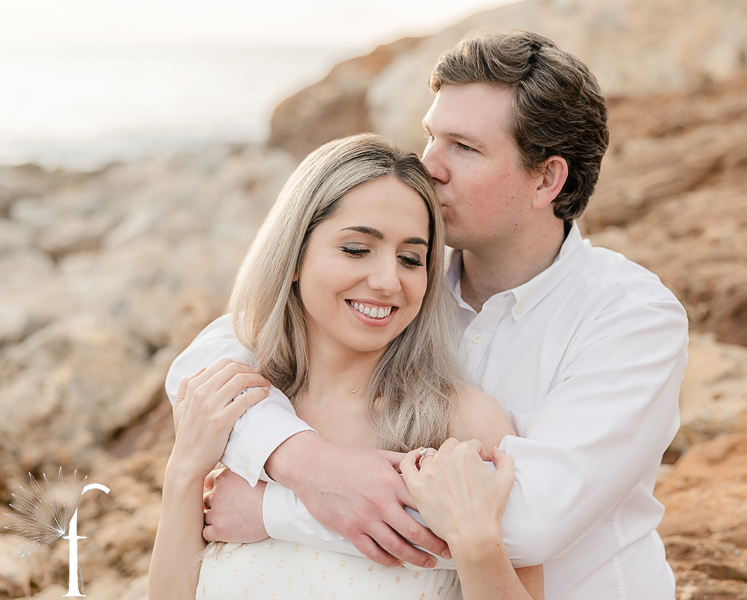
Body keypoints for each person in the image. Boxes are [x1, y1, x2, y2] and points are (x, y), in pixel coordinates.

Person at [167, 31, 689, 599]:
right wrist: (304, 462)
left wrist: (277, 510)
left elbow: (528, 521)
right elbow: (202, 367)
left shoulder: (631, 319)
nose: (429, 164)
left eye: (464, 147)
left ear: (546, 180)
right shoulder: (402, 274)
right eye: (430, 135)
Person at [149, 134, 545, 599]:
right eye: (357, 249)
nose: (386, 281)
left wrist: (476, 542)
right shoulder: (237, 413)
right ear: (294, 256)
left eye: (410, 259)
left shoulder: (461, 423)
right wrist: (182, 474)